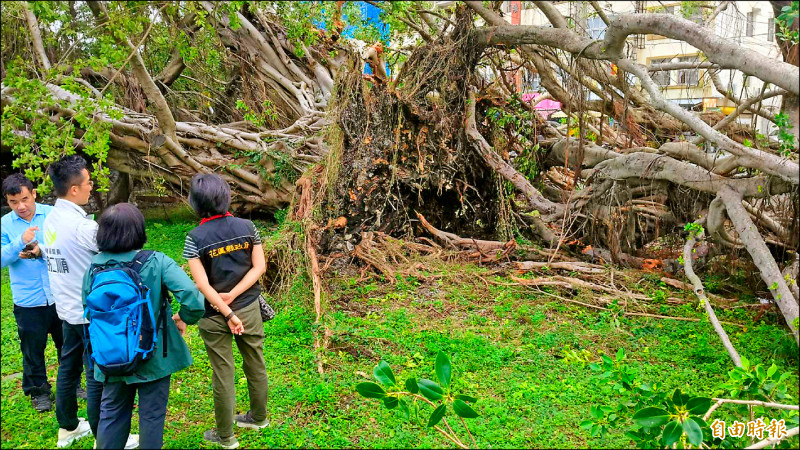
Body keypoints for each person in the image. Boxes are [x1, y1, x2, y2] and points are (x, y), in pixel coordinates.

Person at [82, 203, 205, 449]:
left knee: (112, 414)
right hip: (154, 354)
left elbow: (87, 306)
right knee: (152, 416)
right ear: (139, 231)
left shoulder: (94, 268)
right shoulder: (157, 261)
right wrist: (183, 318)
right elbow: (192, 297)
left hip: (110, 354)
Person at [40, 154, 127, 449]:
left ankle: (67, 427)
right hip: (89, 313)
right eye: (88, 182)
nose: (92, 186)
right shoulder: (82, 228)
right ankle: (104, 436)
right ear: (74, 189)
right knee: (95, 375)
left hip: (65, 308)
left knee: (68, 367)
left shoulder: (50, 219)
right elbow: (117, 248)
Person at [183, 173, 267, 450]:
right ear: (226, 196)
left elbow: (202, 284)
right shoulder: (247, 227)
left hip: (214, 316)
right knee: (255, 361)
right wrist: (236, 296)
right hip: (249, 307)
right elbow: (259, 268)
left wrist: (226, 308)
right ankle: (258, 417)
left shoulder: (195, 237)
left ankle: (226, 437)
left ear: (196, 203)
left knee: (223, 372)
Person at [1, 174, 62, 412]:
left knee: (67, 344)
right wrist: (19, 242)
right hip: (28, 299)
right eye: (14, 202)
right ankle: (39, 392)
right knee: (32, 350)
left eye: (25, 199)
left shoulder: (53, 215)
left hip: (59, 293)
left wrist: (41, 251)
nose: (21, 206)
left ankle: (74, 384)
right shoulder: (5, 224)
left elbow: (65, 246)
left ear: (34, 193)